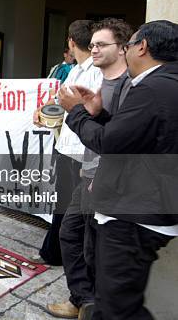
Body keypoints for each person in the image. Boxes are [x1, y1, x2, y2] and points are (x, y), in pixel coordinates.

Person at [59, 20, 178, 320]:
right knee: (113, 299)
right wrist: (98, 115)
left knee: (118, 307)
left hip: (134, 213)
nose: (96, 49)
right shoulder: (165, 85)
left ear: (142, 47)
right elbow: (133, 137)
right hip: (140, 206)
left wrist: (75, 113)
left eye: (127, 45)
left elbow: (111, 143)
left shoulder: (152, 87)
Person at [46, 18, 132, 319]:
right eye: (92, 43)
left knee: (90, 244)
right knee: (72, 235)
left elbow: (119, 141)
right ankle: (83, 299)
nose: (94, 48)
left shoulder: (127, 86)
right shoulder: (100, 80)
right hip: (90, 172)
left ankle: (89, 304)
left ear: (123, 48)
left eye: (101, 44)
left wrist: (82, 113)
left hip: (105, 180)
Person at [32, 20, 103, 266]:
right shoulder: (75, 70)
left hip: (81, 152)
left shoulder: (95, 72)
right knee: (63, 206)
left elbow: (88, 112)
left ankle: (59, 255)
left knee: (75, 211)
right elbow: (60, 103)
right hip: (67, 147)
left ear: (71, 42)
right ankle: (54, 253)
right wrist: (43, 114)